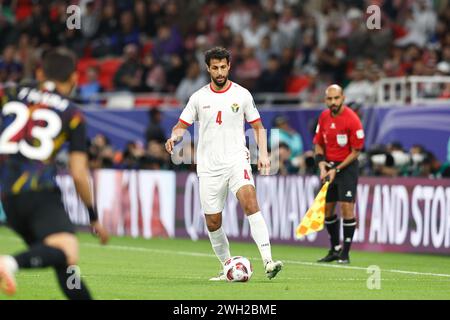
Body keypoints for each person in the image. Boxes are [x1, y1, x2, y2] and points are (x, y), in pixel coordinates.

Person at [165, 47, 283, 280]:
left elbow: (257, 127)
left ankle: (268, 261)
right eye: (215, 68)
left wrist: (264, 154)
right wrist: (174, 137)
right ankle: (227, 265)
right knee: (213, 221)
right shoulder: (199, 97)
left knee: (250, 201)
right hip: (209, 167)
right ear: (208, 68)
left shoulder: (242, 95)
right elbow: (181, 125)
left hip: (237, 160)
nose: (219, 72)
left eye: (223, 67)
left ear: (229, 66)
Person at [0, 48, 109, 299]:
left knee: (64, 266)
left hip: (8, 196)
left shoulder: (9, 93)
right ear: (74, 79)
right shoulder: (73, 114)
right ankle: (9, 264)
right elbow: (79, 173)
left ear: (39, 72)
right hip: (39, 192)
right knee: (67, 249)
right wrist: (93, 217)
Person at [313, 84, 364, 264]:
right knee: (327, 210)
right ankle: (334, 248)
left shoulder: (352, 119)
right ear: (326, 100)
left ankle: (346, 253)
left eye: (336, 98)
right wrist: (321, 165)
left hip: (347, 168)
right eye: (330, 99)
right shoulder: (324, 117)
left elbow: (356, 150)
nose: (333, 102)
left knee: (346, 208)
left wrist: (337, 169)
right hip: (329, 167)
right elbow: (318, 143)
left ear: (343, 98)